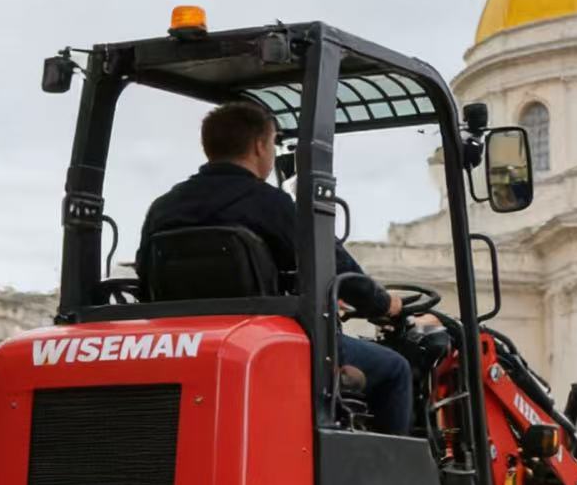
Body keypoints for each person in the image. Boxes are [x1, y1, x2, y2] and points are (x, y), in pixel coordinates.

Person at [138, 102, 414, 435]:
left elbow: (144, 274)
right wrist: (384, 304)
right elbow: (339, 269)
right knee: (397, 369)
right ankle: (390, 483)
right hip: (270, 342)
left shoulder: (164, 208)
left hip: (186, 343)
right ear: (259, 146)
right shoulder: (272, 204)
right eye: (272, 143)